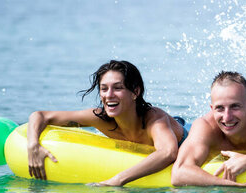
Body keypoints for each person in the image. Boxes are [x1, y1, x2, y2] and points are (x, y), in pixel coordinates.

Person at [27, 60, 187, 185]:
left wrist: (117, 180)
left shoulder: (154, 120)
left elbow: (168, 153)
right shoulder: (100, 119)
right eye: (104, 89)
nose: (109, 95)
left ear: (135, 92)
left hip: (182, 137)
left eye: (117, 88)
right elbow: (40, 116)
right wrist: (33, 145)